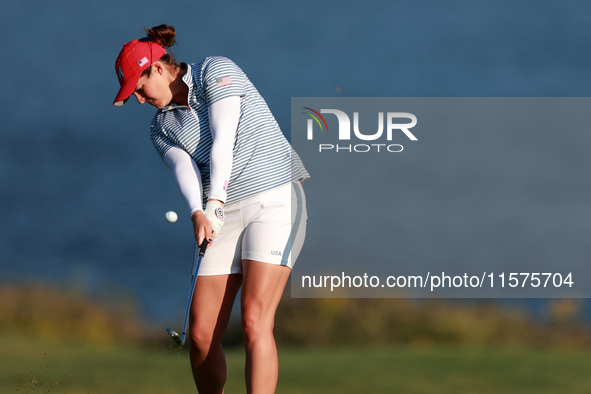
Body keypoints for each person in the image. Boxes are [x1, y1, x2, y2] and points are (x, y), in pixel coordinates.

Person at [112, 24, 309, 393]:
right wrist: (198, 212)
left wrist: (213, 201)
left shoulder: (216, 71)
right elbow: (184, 169)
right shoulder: (161, 127)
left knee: (254, 319)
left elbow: (223, 140)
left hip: (275, 197)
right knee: (201, 334)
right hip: (221, 215)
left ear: (156, 68)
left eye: (139, 89)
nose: (139, 100)